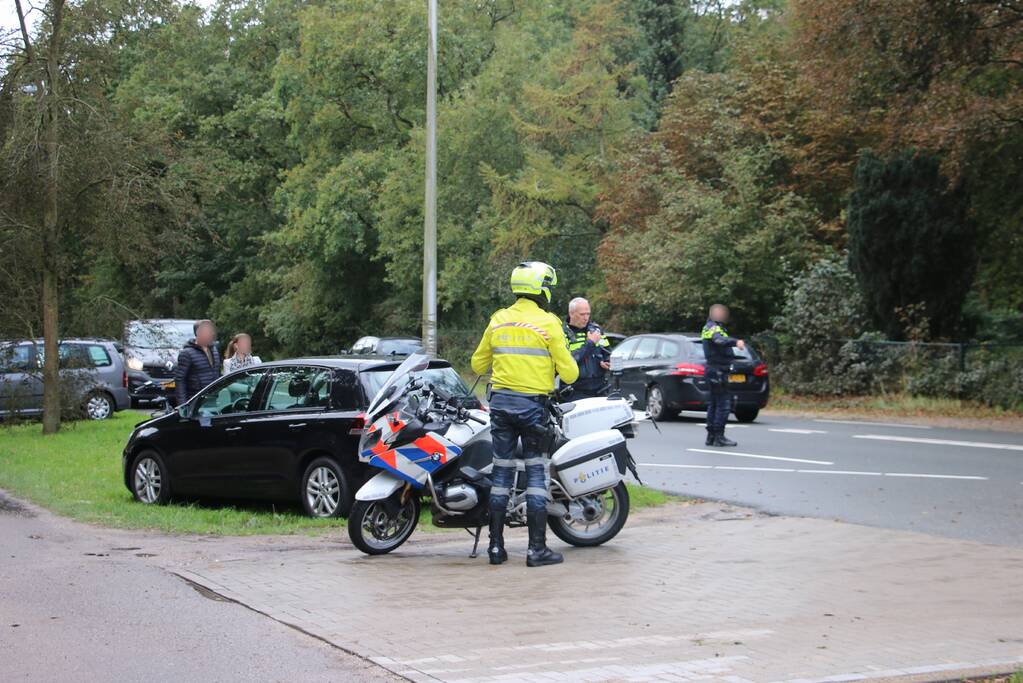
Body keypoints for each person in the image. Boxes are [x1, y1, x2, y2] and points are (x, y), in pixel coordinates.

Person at [471, 261, 579, 567]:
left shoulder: (498, 320)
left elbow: (477, 365)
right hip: (533, 409)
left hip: (500, 407)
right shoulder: (548, 323)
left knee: (501, 475)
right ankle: (536, 550)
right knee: (535, 476)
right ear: (541, 290)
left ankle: (495, 549)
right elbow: (570, 374)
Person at [701, 304, 745, 448]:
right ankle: (719, 436)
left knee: (714, 404)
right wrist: (736, 342)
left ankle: (711, 436)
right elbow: (719, 340)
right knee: (723, 404)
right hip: (717, 370)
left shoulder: (710, 327)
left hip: (714, 370)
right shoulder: (713, 328)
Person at [563, 297, 611, 399]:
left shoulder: (596, 330)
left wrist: (607, 362)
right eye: (582, 314)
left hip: (600, 388)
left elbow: (607, 353)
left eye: (588, 314)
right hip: (575, 391)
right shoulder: (562, 333)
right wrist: (590, 343)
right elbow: (569, 360)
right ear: (571, 313)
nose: (586, 318)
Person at [174, 319, 221, 406]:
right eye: (208, 331)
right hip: (195, 401)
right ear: (198, 333)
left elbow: (217, 374)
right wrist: (183, 405)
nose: (211, 333)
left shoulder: (214, 350)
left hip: (213, 399)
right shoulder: (187, 353)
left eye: (211, 331)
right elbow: (180, 380)